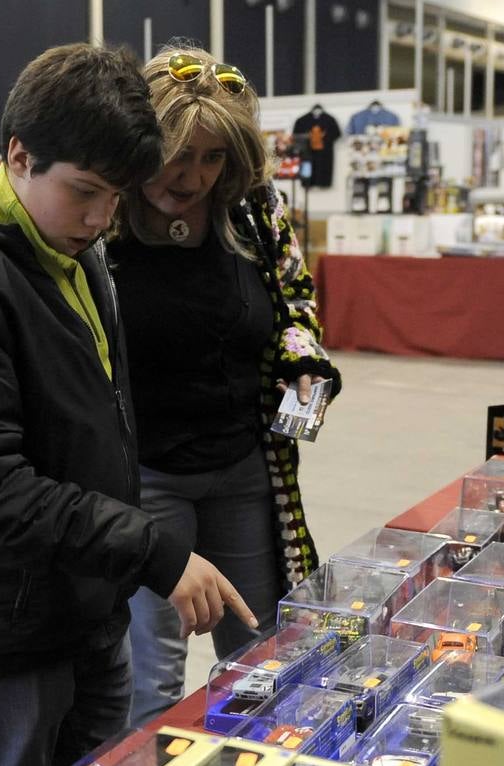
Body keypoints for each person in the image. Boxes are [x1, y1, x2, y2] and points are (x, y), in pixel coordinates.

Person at [0, 43, 255, 766]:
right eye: (83, 191)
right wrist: (147, 546)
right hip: (3, 640)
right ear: (18, 155)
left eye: (116, 196)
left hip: (84, 613)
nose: (101, 218)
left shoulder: (78, 258)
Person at [108, 46, 341, 726]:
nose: (194, 176)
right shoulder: (101, 223)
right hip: (143, 478)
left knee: (262, 661)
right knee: (146, 684)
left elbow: (297, 304)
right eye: (180, 153)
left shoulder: (255, 213)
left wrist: (306, 370)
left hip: (244, 468)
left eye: (213, 158)